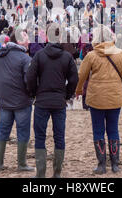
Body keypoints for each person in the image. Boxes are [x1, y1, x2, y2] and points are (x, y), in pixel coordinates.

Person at [75, 25, 122, 174]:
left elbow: (81, 76)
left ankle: (101, 165)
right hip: (114, 97)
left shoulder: (91, 55)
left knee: (98, 130)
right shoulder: (120, 53)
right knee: (113, 129)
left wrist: (78, 90)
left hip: (96, 98)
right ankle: (115, 165)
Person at [26, 28, 78, 178]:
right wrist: (67, 94)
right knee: (59, 136)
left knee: (40, 137)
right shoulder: (67, 57)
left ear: (47, 37)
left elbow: (30, 77)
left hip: (42, 101)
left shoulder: (39, 55)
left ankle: (41, 173)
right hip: (59, 101)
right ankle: (57, 173)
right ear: (60, 37)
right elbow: (74, 79)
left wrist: (34, 92)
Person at [0, 34, 34, 172]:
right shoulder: (25, 58)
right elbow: (29, 81)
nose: (29, 41)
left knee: (3, 129)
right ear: (18, 41)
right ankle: (22, 164)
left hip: (4, 101)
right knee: (23, 132)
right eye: (26, 38)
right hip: (22, 102)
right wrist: (32, 94)